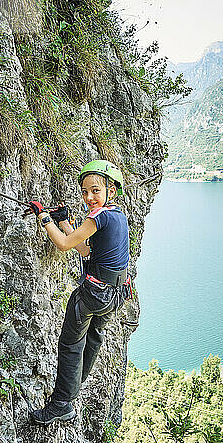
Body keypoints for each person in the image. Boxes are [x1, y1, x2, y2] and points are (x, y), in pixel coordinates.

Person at [28, 160, 131, 425]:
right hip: (117, 293)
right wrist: (63, 222)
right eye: (85, 192)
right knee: (93, 339)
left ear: (111, 191)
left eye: (96, 190)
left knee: (70, 345)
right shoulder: (117, 215)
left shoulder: (97, 216)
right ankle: (73, 387)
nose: (89, 197)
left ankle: (62, 403)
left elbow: (63, 245)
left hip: (94, 295)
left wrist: (45, 218)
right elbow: (84, 248)